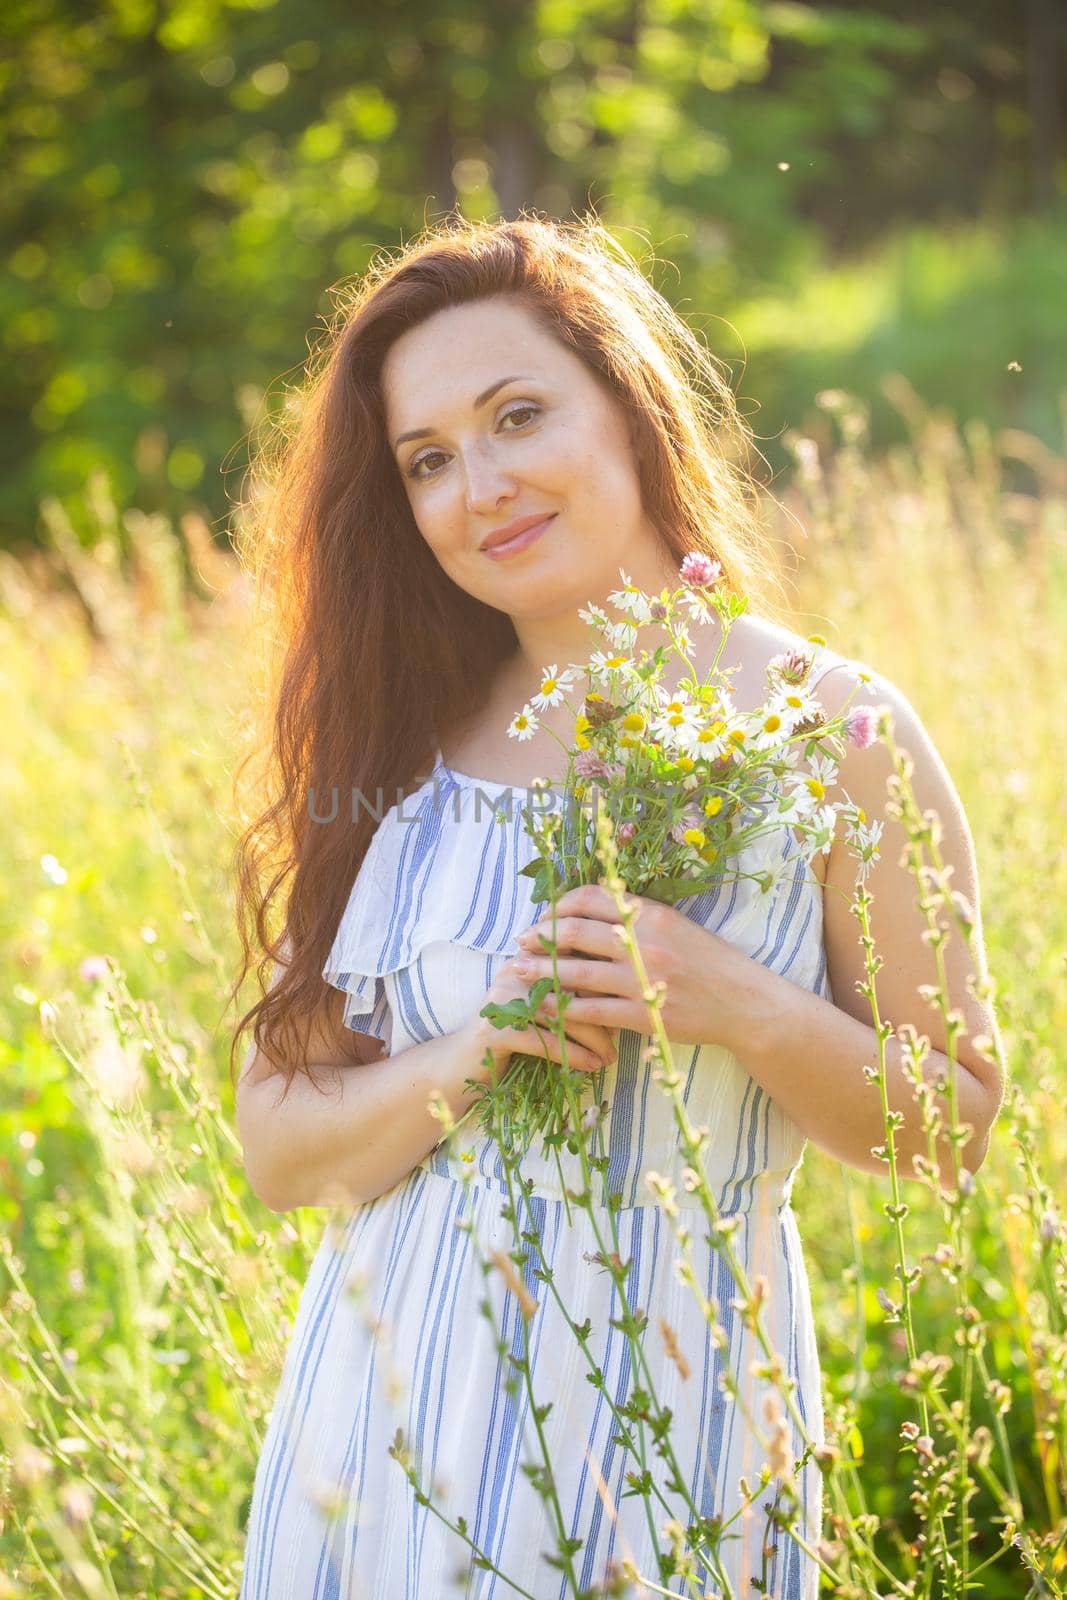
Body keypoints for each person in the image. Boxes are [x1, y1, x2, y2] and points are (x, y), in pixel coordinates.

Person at [230, 214, 1003, 1599]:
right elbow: (282, 1152)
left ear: (631, 406)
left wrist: (739, 1004)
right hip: (383, 1450)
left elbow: (949, 1123)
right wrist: (478, 1051)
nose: (482, 485)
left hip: (679, 1442)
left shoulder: (832, 727)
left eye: (517, 415)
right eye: (428, 460)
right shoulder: (392, 753)